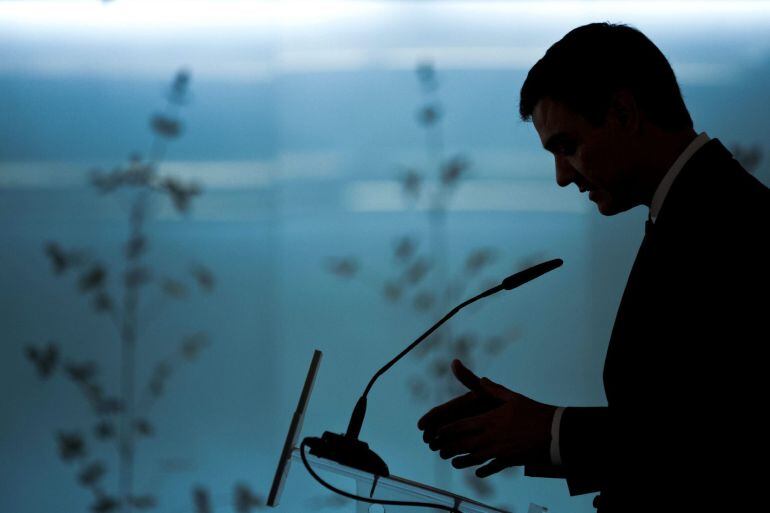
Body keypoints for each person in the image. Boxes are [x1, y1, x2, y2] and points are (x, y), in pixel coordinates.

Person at [417, 22, 769, 512]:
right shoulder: (691, 210)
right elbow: (680, 420)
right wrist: (537, 429)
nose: (562, 177)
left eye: (567, 146)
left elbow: (729, 441)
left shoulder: (731, 222)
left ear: (624, 113)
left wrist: (553, 431)